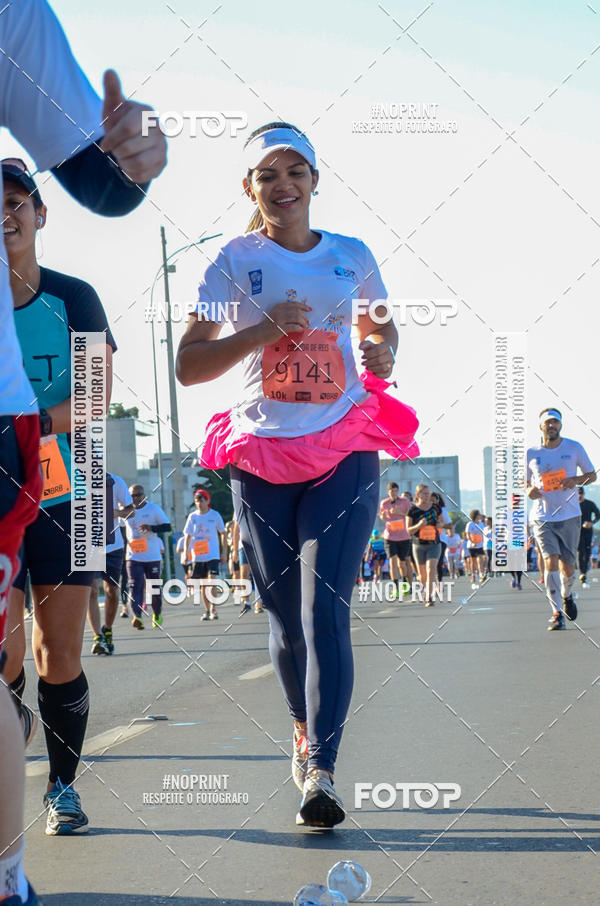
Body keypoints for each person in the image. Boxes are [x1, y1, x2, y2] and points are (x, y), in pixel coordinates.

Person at [176, 121, 418, 827]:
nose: (284, 187)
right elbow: (190, 366)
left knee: (324, 612)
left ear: (316, 180)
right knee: (285, 619)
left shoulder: (351, 255)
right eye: (268, 176)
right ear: (250, 188)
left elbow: (380, 328)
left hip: (344, 446)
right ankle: (302, 729)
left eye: (296, 173)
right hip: (262, 455)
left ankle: (323, 771)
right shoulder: (230, 261)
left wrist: (382, 355)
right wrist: (261, 331)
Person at [0, 0, 166, 891]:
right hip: (1, 479)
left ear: (38, 212)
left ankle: (61, 786)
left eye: (17, 203)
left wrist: (31, 421)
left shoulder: (74, 297)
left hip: (63, 489)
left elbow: (95, 406)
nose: (5, 217)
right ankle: (9, 804)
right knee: (7, 659)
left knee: (62, 652)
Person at [527, 408, 596, 630]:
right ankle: (557, 612)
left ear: (560, 425)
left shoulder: (573, 447)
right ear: (541, 426)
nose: (552, 426)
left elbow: (592, 475)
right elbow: (523, 481)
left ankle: (567, 595)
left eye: (555, 422)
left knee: (568, 566)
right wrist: (529, 490)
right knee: (550, 560)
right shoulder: (531, 453)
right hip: (542, 516)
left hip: (570, 516)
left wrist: (574, 480)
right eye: (547, 423)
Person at [87, 472, 134, 655]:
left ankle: (107, 629)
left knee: (111, 592)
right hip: (89, 546)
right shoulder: (77, 480)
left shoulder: (115, 481)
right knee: (91, 590)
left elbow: (131, 511)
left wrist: (115, 513)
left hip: (113, 546)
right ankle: (97, 637)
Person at [124, 485, 171, 629]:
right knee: (134, 586)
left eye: (138, 495)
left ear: (144, 495)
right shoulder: (126, 511)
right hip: (133, 556)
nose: (136, 498)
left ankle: (157, 613)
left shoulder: (153, 509)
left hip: (152, 556)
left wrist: (151, 527)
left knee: (154, 588)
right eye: (133, 495)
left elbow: (167, 527)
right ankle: (137, 616)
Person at [182, 490, 226, 621]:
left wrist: (224, 552)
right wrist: (185, 553)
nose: (199, 503)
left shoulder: (215, 515)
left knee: (211, 581)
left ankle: (214, 609)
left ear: (207, 501)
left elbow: (223, 533)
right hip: (198, 555)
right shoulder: (192, 517)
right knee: (203, 584)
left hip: (212, 554)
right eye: (197, 500)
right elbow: (188, 535)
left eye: (202, 500)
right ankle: (207, 610)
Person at [406, 484, 443, 604]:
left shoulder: (436, 508)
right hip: (418, 545)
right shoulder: (412, 510)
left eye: (428, 493)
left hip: (434, 543)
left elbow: (442, 521)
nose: (427, 496)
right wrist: (419, 525)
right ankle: (426, 589)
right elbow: (409, 530)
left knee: (431, 569)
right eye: (425, 494)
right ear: (418, 495)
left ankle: (429, 596)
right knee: (422, 575)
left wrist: (439, 525)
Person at [379, 481, 411, 597]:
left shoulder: (405, 501)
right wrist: (382, 517)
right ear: (388, 492)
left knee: (401, 563)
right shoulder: (384, 503)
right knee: (392, 561)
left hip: (404, 536)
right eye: (391, 491)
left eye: (396, 490)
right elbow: (382, 516)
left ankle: (404, 582)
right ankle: (396, 588)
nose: (394, 493)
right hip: (389, 536)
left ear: (398, 491)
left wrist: (400, 512)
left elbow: (411, 515)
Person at [577, 487, 600, 584]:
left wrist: (592, 522)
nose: (579, 495)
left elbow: (598, 515)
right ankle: (582, 572)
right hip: (577, 531)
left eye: (581, 493)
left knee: (587, 552)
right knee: (581, 551)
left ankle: (584, 572)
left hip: (588, 531)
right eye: (578, 493)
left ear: (584, 494)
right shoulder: (573, 505)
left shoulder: (589, 504)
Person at [430, 492, 451, 582]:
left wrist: (440, 525)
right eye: (430, 501)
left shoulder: (442, 511)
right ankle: (431, 582)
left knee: (438, 562)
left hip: (441, 540)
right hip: (427, 539)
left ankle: (439, 582)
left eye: (434, 501)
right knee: (430, 563)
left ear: (438, 501)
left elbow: (450, 525)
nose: (432, 503)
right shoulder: (425, 510)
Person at [465, 509, 487, 587]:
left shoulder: (482, 524)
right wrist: (472, 542)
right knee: (473, 561)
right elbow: (467, 535)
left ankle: (480, 573)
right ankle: (473, 574)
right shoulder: (470, 524)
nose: (480, 515)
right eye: (478, 514)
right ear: (475, 515)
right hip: (472, 545)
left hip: (480, 545)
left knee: (480, 558)